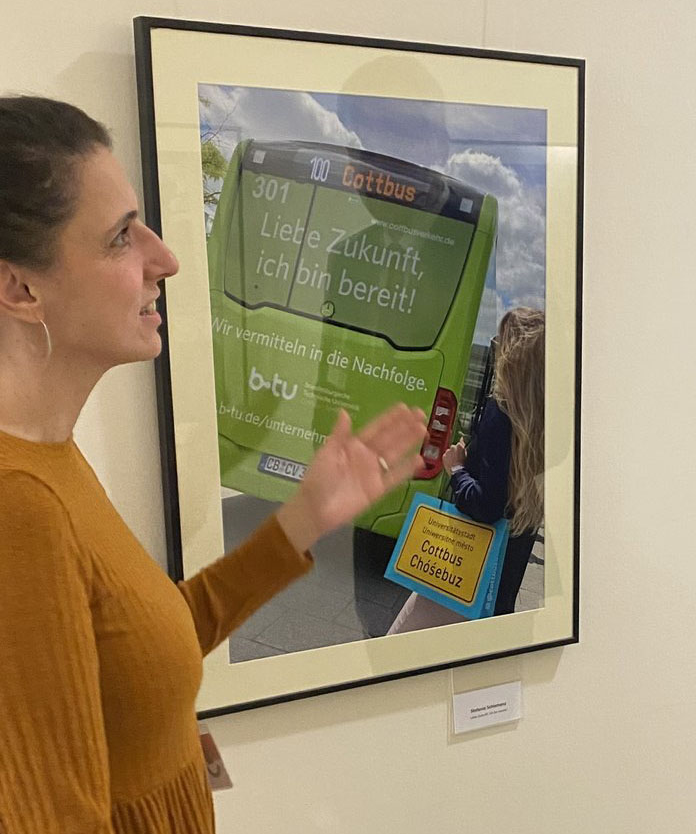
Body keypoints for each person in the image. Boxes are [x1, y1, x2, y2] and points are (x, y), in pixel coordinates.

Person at [0, 96, 430, 833]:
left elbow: (147, 648)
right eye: (118, 238)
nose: (163, 257)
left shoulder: (50, 462)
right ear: (20, 288)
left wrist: (302, 520)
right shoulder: (19, 506)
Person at [388, 307, 544, 633]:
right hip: (497, 588)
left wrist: (457, 468)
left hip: (461, 572)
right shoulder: (542, 423)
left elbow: (486, 505)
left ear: (513, 356)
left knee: (391, 654)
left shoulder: (501, 413)